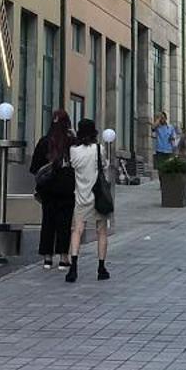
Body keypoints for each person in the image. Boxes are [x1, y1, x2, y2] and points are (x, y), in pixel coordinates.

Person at [63, 119, 113, 282]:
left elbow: (72, 167)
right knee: (101, 231)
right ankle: (101, 268)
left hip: (81, 196)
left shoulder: (73, 151)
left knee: (77, 230)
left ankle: (74, 267)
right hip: (98, 196)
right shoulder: (99, 149)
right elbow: (104, 166)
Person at [29, 112, 76, 269]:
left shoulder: (44, 142)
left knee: (48, 222)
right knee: (65, 223)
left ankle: (47, 258)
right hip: (67, 189)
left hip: (47, 189)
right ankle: (63, 257)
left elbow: (35, 167)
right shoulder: (71, 142)